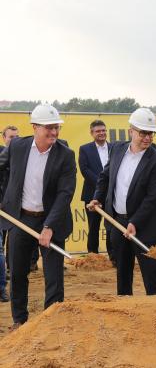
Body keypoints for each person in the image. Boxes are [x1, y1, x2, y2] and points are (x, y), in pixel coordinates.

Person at [0, 105, 76, 329]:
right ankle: (19, 320)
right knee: (18, 272)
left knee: (53, 275)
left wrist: (49, 226)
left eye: (56, 128)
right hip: (20, 219)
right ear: (34, 127)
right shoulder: (18, 147)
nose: (54, 133)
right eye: (49, 128)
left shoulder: (65, 155)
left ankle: (52, 322)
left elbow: (65, 193)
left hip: (51, 220)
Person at [89, 108, 156, 296]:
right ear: (131, 130)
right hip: (118, 222)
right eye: (143, 133)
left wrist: (135, 222)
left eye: (151, 133)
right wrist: (98, 197)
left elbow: (152, 198)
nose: (148, 138)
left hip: (145, 226)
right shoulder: (117, 149)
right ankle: (125, 309)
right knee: (123, 271)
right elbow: (105, 176)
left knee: (151, 272)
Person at [78, 120, 115, 265]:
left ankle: (113, 256)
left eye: (103, 130)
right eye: (98, 131)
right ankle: (93, 257)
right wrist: (102, 185)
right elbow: (85, 170)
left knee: (111, 227)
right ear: (92, 133)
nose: (101, 133)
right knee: (93, 227)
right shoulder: (85, 149)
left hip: (111, 196)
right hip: (91, 194)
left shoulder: (114, 147)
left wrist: (109, 187)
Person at [0, 125, 19, 301]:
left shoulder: (20, 155)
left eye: (17, 137)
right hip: (1, 207)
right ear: (4, 138)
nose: (14, 140)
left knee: (12, 242)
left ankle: (10, 271)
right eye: (11, 137)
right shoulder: (2, 155)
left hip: (14, 208)